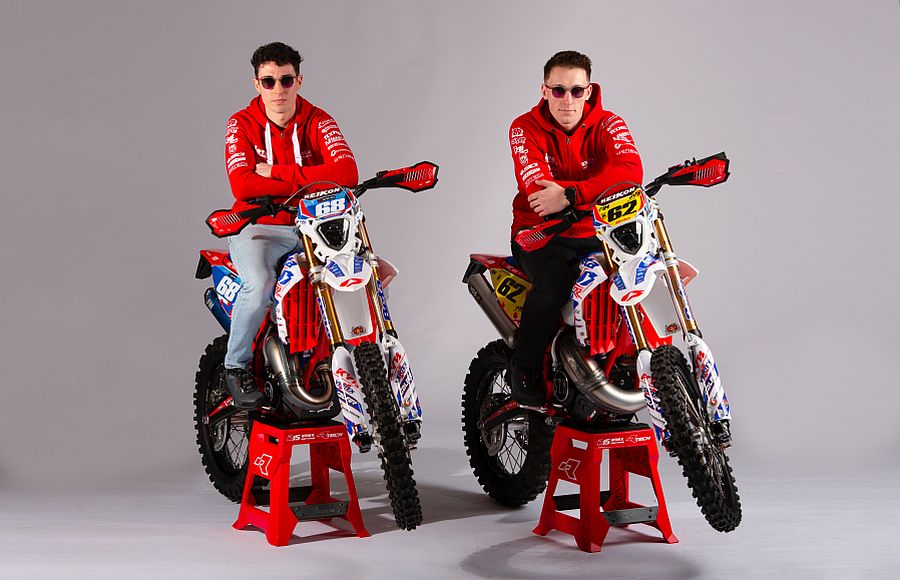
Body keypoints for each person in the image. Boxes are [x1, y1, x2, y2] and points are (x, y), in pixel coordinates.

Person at [222, 42, 358, 408]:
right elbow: (243, 186)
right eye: (269, 81)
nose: (278, 89)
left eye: (285, 80)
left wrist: (276, 173)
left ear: (299, 80)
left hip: (316, 227)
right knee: (259, 285)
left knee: (362, 279)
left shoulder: (319, 120)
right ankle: (235, 366)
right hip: (258, 227)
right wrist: (312, 179)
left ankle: (349, 363)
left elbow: (347, 173)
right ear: (257, 84)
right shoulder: (241, 124)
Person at [507, 50, 643, 406]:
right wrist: (596, 190)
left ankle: (619, 365)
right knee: (552, 287)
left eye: (576, 91)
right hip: (540, 235)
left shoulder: (609, 124)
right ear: (544, 90)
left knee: (632, 282)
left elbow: (630, 172)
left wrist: (569, 194)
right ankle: (524, 366)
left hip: (599, 234)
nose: (567, 100)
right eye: (558, 90)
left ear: (589, 91)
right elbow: (538, 192)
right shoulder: (524, 127)